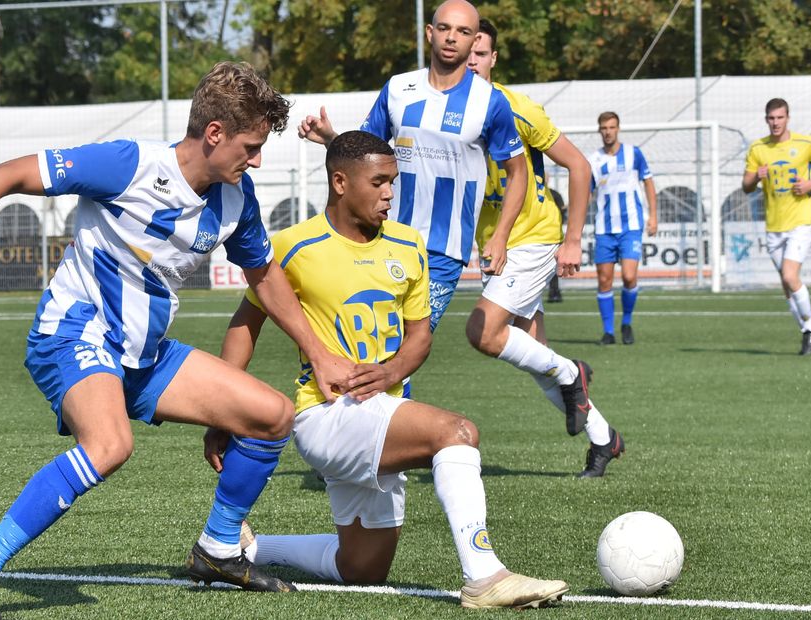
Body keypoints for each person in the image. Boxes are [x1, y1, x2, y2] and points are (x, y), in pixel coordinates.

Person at [0, 62, 353, 620]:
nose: (258, 159)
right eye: (251, 146)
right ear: (214, 134)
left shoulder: (236, 200)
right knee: (110, 445)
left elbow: (264, 276)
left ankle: (218, 550)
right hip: (73, 332)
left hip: (144, 354)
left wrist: (319, 355)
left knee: (272, 415)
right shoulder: (130, 164)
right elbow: (5, 174)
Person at [212, 130, 568, 609]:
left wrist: (390, 370)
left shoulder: (408, 245)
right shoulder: (293, 246)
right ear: (340, 182)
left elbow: (420, 336)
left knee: (361, 568)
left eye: (393, 183)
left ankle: (251, 547)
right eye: (378, 182)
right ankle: (485, 577)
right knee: (457, 433)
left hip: (382, 411)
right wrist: (220, 412)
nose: (389, 194)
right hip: (326, 415)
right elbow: (245, 325)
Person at [298, 0, 527, 338]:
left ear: (474, 40)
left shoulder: (490, 101)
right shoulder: (397, 89)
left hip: (442, 250)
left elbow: (518, 171)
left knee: (404, 345)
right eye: (445, 28)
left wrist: (501, 235)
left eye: (463, 32)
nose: (452, 38)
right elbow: (365, 153)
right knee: (374, 341)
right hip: (383, 236)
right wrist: (332, 138)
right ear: (430, 33)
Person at [467, 19, 624, 478]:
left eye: (481, 53)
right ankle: (603, 439)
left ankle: (574, 372)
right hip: (495, 245)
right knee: (537, 359)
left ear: (493, 59)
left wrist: (573, 239)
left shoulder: (519, 108)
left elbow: (578, 166)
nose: (472, 60)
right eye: (467, 52)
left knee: (482, 332)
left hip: (533, 239)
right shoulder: (448, 114)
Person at [742, 98, 811, 355]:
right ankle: (809, 334)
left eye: (780, 118)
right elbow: (746, 186)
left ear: (788, 118)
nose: (775, 123)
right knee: (787, 286)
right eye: (771, 118)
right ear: (766, 120)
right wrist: (755, 177)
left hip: (801, 219)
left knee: (789, 275)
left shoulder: (806, 143)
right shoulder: (758, 148)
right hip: (774, 224)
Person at [588, 112, 657, 345]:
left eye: (612, 127)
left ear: (618, 129)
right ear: (599, 130)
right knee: (604, 280)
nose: (608, 131)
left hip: (631, 226)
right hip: (604, 228)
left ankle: (626, 322)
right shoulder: (594, 160)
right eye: (604, 128)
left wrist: (653, 216)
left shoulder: (633, 154)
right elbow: (586, 191)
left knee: (629, 277)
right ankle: (608, 332)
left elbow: (648, 181)